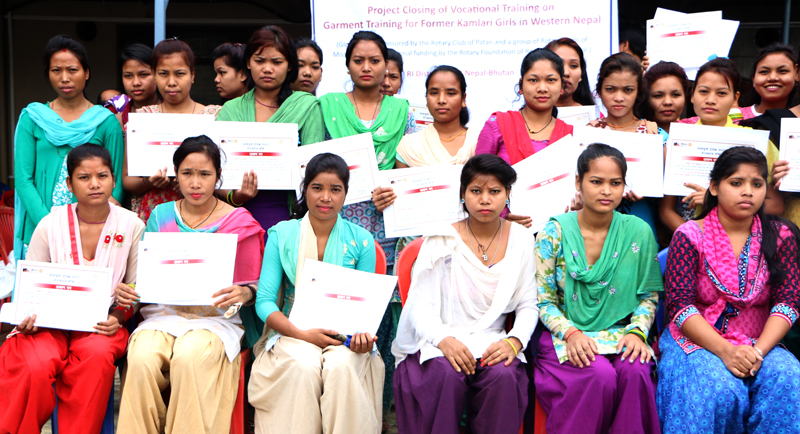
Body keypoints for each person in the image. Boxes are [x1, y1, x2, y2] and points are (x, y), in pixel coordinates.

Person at [117, 135, 265, 434]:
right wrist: (129, 288)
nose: (195, 183)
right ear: (176, 175)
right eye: (187, 173)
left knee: (189, 355)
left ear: (218, 177)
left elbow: (257, 285)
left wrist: (245, 292)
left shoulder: (239, 221)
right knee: (142, 355)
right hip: (164, 314)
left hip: (215, 319)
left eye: (204, 174)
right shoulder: (161, 216)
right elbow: (147, 273)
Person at [0, 144, 144, 434]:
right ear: (69, 183)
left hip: (101, 324)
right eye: (83, 177)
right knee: (31, 363)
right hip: (48, 325)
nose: (94, 184)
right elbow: (32, 283)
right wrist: (26, 317)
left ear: (114, 180)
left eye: (102, 176)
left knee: (95, 357)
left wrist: (118, 315)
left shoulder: (131, 224)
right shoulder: (50, 224)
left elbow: (137, 287)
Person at [657, 146, 800, 433]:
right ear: (714, 186)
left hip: (759, 341)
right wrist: (726, 351)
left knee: (788, 377)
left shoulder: (781, 234)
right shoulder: (689, 234)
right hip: (698, 339)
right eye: (736, 183)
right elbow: (679, 307)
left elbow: (788, 303)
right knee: (717, 387)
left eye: (757, 184)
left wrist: (757, 352)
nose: (748, 192)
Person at [392, 154, 537, 434]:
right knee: (445, 374)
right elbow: (419, 306)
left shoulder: (521, 239)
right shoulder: (442, 238)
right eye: (476, 191)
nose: (485, 199)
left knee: (504, 376)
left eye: (495, 191)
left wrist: (515, 341)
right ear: (462, 194)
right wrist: (442, 339)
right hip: (439, 338)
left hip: (492, 339)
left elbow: (528, 304)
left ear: (507, 194)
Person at [248, 153, 382, 434]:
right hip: (292, 331)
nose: (326, 197)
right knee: (302, 364)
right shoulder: (282, 234)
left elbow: (366, 305)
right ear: (305, 189)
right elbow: (264, 302)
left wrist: (361, 336)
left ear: (346, 193)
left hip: (344, 335)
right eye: (317, 188)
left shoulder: (361, 240)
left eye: (336, 190)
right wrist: (302, 334)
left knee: (342, 367)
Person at [534, 143, 662, 434]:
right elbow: (544, 302)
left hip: (621, 331)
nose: (606, 191)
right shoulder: (553, 232)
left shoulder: (638, 231)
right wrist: (572, 333)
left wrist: (637, 331)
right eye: (596, 182)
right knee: (599, 375)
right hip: (565, 333)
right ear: (578, 183)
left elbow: (648, 296)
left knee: (635, 370)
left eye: (615, 183)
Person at [216, 25, 325, 348]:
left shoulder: (306, 106)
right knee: (242, 295)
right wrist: (237, 195)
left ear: (289, 66)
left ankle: (278, 364)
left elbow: (314, 168)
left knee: (280, 295)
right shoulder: (230, 111)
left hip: (288, 218)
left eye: (276, 61)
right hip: (238, 218)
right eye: (260, 60)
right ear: (247, 63)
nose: (267, 68)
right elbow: (215, 178)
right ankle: (246, 375)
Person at [14, 35, 124, 261]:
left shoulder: (106, 122)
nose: (64, 78)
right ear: (48, 74)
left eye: (72, 70)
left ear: (86, 73)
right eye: (56, 70)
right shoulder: (32, 118)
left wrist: (91, 227)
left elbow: (116, 182)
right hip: (40, 227)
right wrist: (51, 226)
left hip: (94, 232)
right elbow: (24, 179)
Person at [320, 30, 413, 276]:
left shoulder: (403, 112)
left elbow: (411, 173)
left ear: (385, 65)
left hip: (388, 219)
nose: (366, 67)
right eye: (358, 61)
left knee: (383, 302)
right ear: (348, 66)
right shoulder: (327, 107)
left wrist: (394, 192)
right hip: (337, 220)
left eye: (374, 61)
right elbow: (314, 166)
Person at [475, 48, 574, 227]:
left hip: (558, 234)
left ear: (561, 87)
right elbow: (476, 180)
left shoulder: (572, 135)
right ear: (521, 85)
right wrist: (502, 214)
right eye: (533, 80)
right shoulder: (497, 124)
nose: (542, 88)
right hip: (500, 231)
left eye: (551, 80)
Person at [130, 38, 221, 224]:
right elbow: (127, 181)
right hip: (154, 213)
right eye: (163, 74)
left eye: (180, 73)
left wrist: (194, 182)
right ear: (154, 76)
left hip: (202, 213)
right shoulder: (143, 117)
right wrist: (148, 181)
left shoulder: (213, 117)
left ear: (192, 74)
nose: (171, 82)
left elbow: (222, 176)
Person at [680, 58, 783, 218]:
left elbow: (775, 205)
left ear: (735, 98)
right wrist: (691, 237)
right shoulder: (678, 140)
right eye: (703, 91)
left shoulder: (754, 142)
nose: (710, 100)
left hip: (741, 237)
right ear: (692, 95)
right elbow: (666, 210)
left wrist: (716, 200)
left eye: (721, 93)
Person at [587, 53, 667, 235]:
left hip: (640, 225)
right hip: (595, 228)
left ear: (639, 91)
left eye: (628, 90)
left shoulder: (655, 134)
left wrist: (648, 189)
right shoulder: (588, 134)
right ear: (599, 92)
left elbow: (668, 191)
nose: (619, 97)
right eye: (610, 89)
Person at [640, 61, 696, 235]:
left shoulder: (696, 134)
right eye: (658, 95)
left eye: (676, 94)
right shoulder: (639, 135)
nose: (667, 102)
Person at [104, 43, 160, 130]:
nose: (136, 82)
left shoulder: (175, 115)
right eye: (128, 76)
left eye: (144, 74)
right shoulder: (114, 123)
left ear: (158, 75)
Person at [545, 38, 595, 107]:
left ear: (581, 75)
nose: (566, 73)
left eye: (574, 66)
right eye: (559, 65)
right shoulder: (527, 116)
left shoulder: (594, 116)